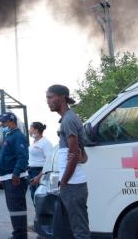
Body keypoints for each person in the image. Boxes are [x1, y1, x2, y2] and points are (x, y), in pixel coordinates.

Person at [47, 84, 90, 239]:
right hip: (73, 184)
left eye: (50, 97)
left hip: (72, 185)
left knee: (80, 231)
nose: (48, 101)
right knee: (76, 228)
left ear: (62, 97)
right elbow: (82, 156)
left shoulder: (68, 120)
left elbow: (74, 154)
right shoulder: (68, 119)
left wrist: (63, 182)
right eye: (47, 97)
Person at [0, 112, 29, 239]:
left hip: (14, 178)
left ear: (11, 122)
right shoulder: (10, 135)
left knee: (17, 209)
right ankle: (18, 234)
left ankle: (20, 235)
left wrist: (16, 174)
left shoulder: (18, 136)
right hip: (8, 177)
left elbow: (22, 157)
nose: (2, 124)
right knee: (13, 208)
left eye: (4, 122)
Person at [28, 121, 54, 200]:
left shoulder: (45, 143)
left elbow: (49, 161)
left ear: (36, 130)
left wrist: (39, 176)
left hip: (39, 172)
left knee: (39, 197)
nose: (29, 130)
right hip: (31, 171)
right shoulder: (35, 142)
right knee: (34, 196)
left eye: (31, 128)